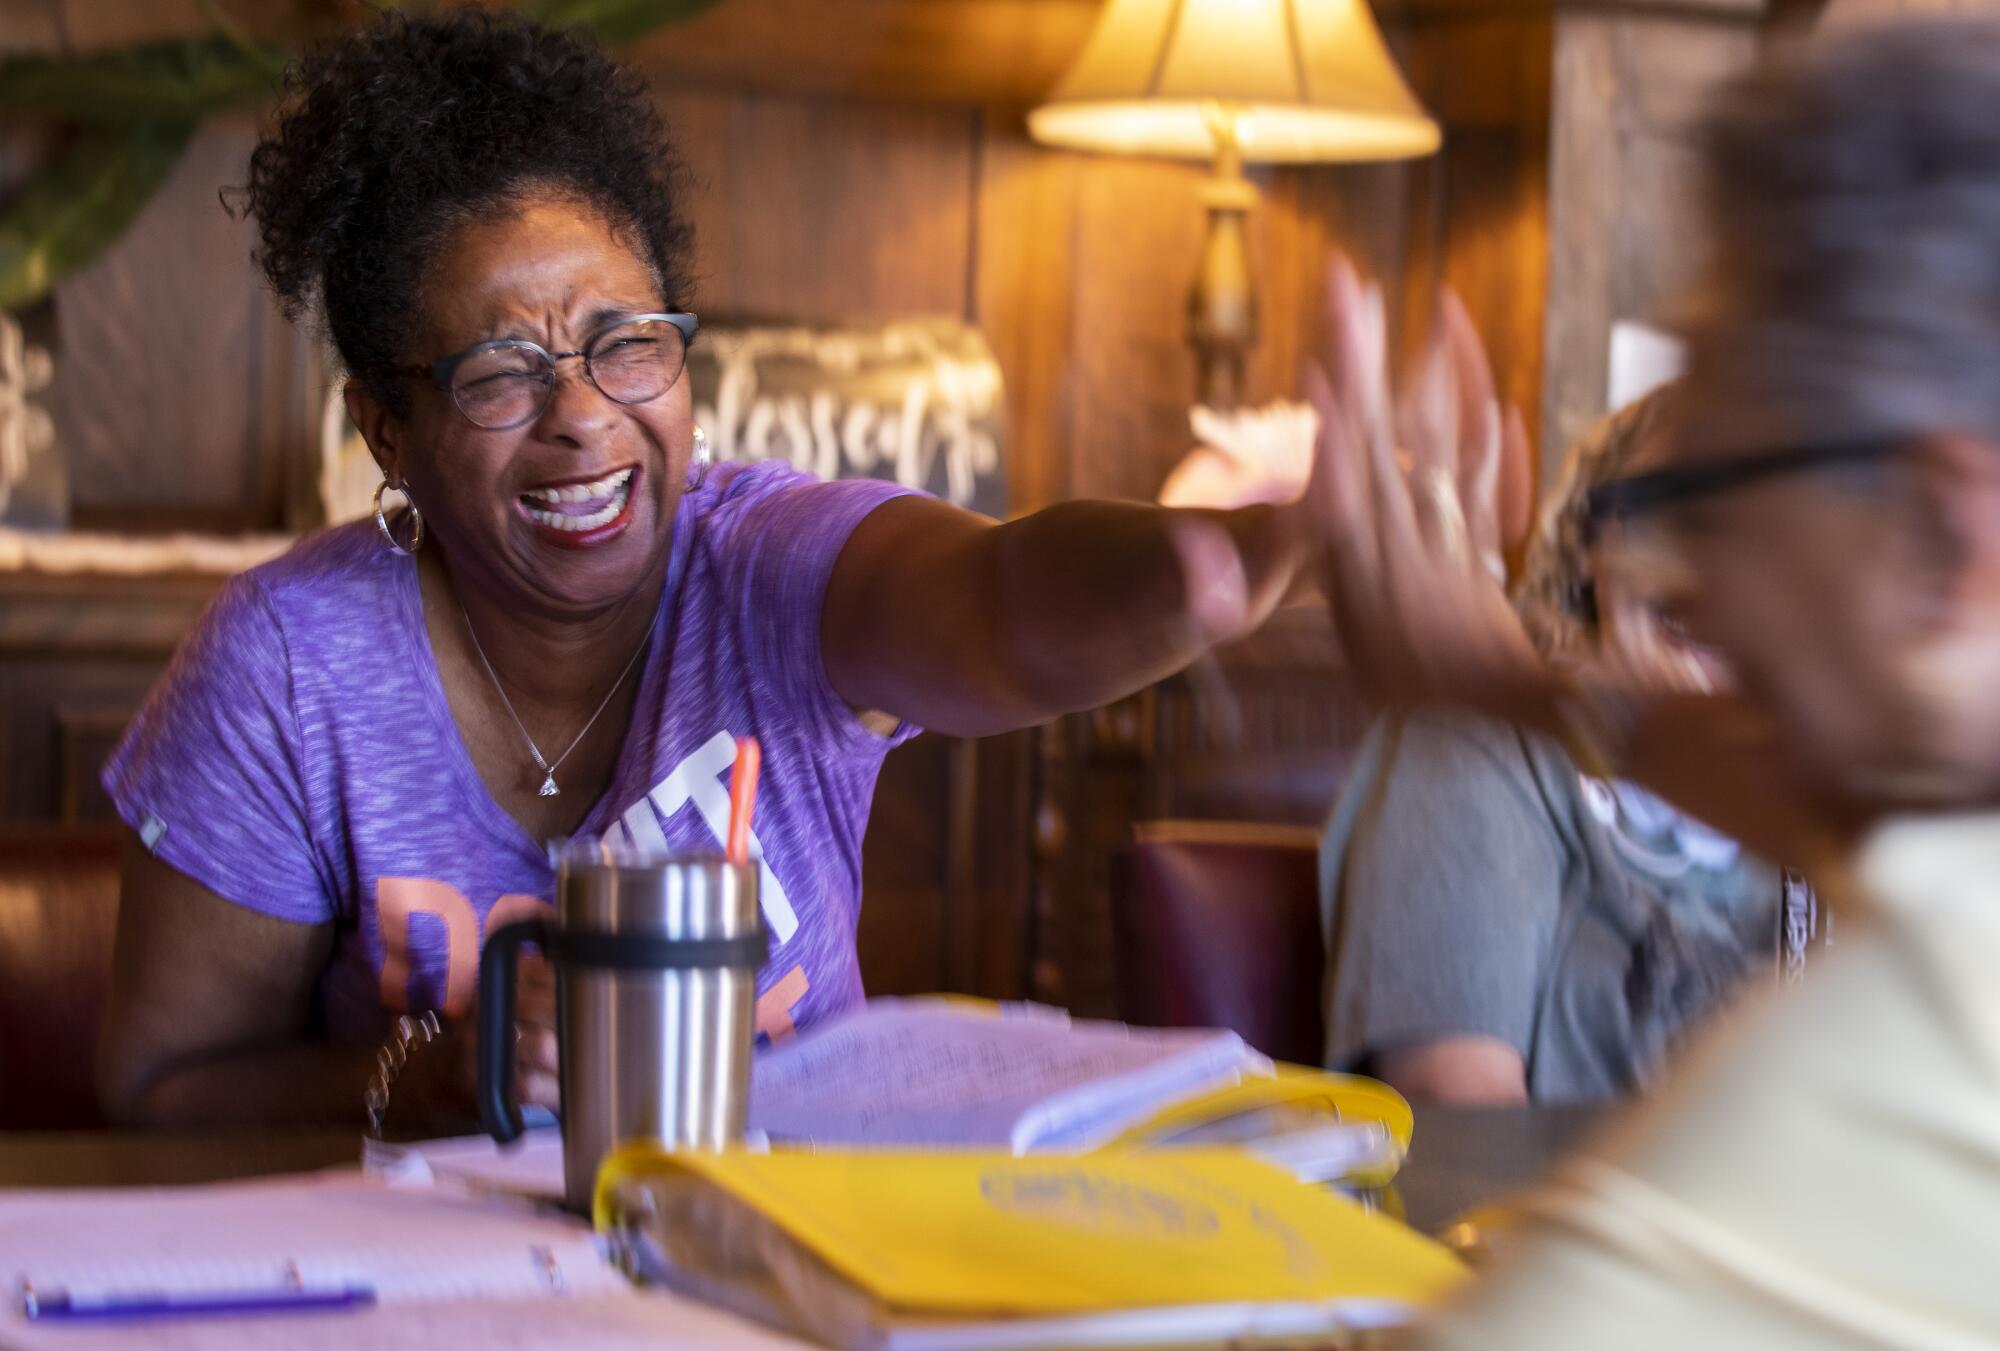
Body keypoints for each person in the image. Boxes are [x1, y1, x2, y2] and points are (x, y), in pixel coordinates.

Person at [95, 9, 1457, 1131]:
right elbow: (163, 1097)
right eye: (504, 370)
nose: (584, 415)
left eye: (630, 343)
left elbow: (1001, 598)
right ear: (387, 429)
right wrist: (441, 1075)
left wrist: (1218, 560)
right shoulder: (288, 663)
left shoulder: (768, 563)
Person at [1305, 17, 2000, 1344]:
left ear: (1940, 534)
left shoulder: (1924, 1046)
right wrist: (1497, 685)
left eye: (1715, 498)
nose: (1701, 590)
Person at [1320, 386, 1788, 1106]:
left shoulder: (1844, 789)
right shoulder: (1482, 741)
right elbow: (1462, 1123)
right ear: (1590, 548)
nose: (1699, 563)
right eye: (1665, 510)